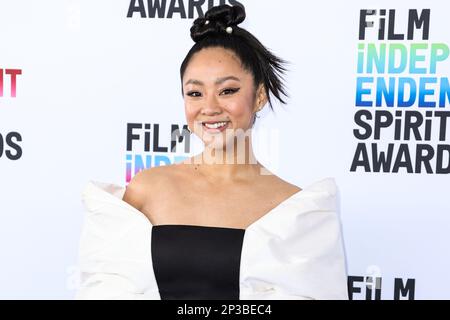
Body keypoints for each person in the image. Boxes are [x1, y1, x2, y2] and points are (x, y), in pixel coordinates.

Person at [76, 4, 348, 300]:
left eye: (227, 90)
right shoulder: (146, 190)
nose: (209, 107)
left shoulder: (294, 211)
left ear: (259, 96)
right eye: (195, 93)